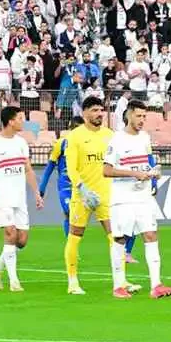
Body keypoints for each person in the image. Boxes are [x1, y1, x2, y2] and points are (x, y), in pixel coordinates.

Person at [104, 100, 171, 299]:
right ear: (128, 115)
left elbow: (148, 161)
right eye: (138, 116)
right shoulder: (116, 139)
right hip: (122, 198)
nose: (142, 120)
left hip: (143, 196)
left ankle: (156, 285)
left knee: (151, 235)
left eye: (145, 116)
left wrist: (154, 173)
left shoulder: (144, 137)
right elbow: (106, 170)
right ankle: (118, 286)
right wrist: (133, 174)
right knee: (120, 239)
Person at [63, 96, 135, 295]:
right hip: (83, 196)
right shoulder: (75, 136)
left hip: (107, 194)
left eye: (101, 110)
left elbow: (116, 163)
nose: (99, 114)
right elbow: (71, 168)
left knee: (116, 237)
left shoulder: (110, 135)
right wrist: (82, 188)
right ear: (84, 113)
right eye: (94, 110)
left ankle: (121, 281)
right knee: (75, 236)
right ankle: (72, 281)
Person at [0, 105, 43, 292]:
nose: (22, 121)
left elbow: (28, 169)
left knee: (21, 240)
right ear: (10, 121)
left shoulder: (21, 143)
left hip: (19, 197)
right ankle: (14, 281)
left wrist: (36, 193)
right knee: (10, 233)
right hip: (2, 198)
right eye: (19, 118)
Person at [39, 121, 77, 237]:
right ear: (70, 129)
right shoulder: (61, 144)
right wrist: (41, 189)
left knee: (78, 219)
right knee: (68, 212)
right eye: (75, 129)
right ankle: (70, 248)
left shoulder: (86, 145)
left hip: (81, 185)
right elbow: (49, 168)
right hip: (65, 185)